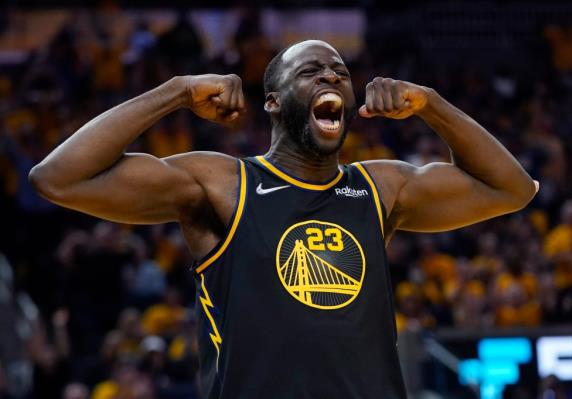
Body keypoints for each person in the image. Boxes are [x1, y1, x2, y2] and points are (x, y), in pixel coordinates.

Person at [29, 40, 537, 398]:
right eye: (310, 72)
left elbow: (512, 189)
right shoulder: (223, 183)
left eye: (339, 71)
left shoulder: (380, 188)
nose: (331, 78)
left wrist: (432, 105)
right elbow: (59, 178)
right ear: (273, 102)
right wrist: (178, 91)